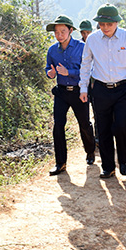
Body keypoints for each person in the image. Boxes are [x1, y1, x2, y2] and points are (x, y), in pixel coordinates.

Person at [79, 4, 126, 178]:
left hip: (122, 89)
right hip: (100, 89)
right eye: (102, 24)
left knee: (121, 125)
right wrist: (83, 88)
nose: (105, 28)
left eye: (109, 24)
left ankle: (123, 160)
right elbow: (85, 64)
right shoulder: (92, 40)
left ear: (116, 22)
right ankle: (108, 166)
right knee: (103, 128)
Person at [45, 15, 96, 176]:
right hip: (61, 92)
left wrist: (70, 72)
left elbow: (88, 70)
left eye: (62, 31)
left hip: (79, 91)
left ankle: (90, 150)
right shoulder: (52, 50)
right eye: (56, 32)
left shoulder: (82, 47)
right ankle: (60, 163)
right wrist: (50, 73)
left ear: (71, 31)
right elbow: (48, 68)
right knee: (58, 125)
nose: (59, 35)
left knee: (84, 124)